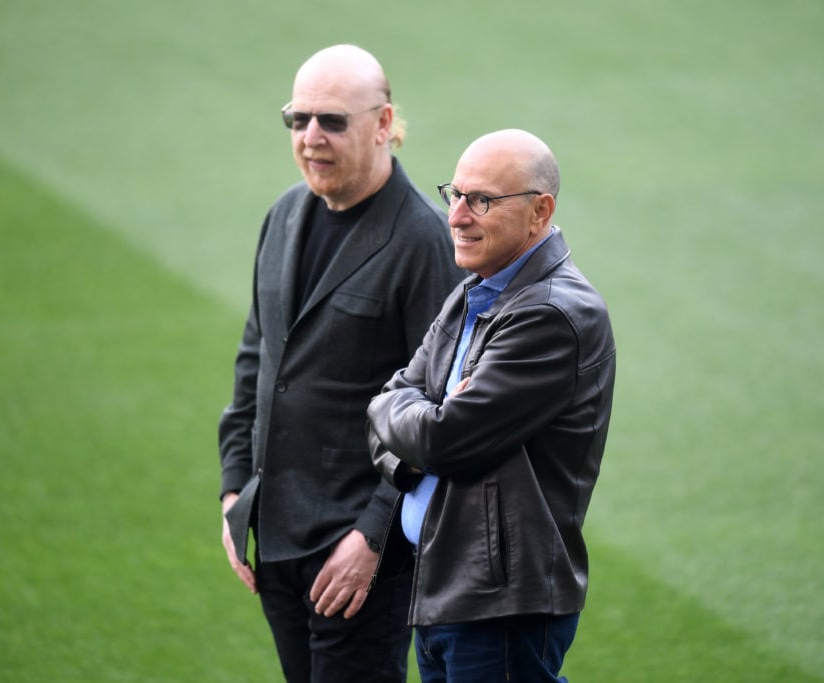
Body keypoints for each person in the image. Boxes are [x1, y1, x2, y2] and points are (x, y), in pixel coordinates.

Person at [217, 44, 464, 683]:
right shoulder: (284, 215)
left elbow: (438, 412)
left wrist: (374, 536)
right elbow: (257, 358)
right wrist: (234, 487)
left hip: (357, 557)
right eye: (298, 121)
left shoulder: (421, 242)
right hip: (275, 535)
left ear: (384, 124)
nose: (311, 138)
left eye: (332, 121)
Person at [367, 129, 616, 682]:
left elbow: (442, 439)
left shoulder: (552, 315)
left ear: (539, 211)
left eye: (480, 201)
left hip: (498, 606)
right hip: (445, 588)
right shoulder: (473, 292)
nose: (456, 216)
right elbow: (387, 406)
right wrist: (414, 429)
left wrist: (419, 427)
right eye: (454, 195)